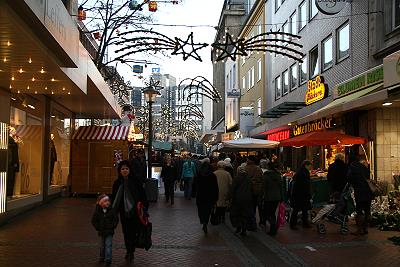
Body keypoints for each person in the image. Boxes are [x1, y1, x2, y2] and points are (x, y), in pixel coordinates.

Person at [112, 160, 148, 263]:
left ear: (130, 170)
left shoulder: (135, 181)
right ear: (119, 171)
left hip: (135, 211)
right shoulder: (117, 183)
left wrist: (145, 207)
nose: (124, 171)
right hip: (124, 212)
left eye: (126, 168)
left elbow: (142, 194)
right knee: (126, 232)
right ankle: (129, 251)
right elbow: (114, 198)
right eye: (122, 169)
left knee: (133, 231)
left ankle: (131, 249)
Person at [348, 154, 373, 235]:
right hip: (368, 190)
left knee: (359, 210)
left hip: (359, 191)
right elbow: (368, 176)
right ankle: (366, 228)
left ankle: (359, 230)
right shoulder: (364, 167)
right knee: (367, 210)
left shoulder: (352, 167)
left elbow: (350, 179)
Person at [91, 194, 119, 266]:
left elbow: (115, 219)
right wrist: (98, 227)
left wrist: (112, 226)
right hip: (102, 231)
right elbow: (93, 221)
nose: (107, 203)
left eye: (108, 201)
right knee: (102, 245)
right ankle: (102, 257)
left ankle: (108, 260)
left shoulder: (112, 210)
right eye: (105, 201)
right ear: (101, 203)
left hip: (109, 231)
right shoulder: (97, 211)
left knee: (108, 245)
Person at [195, 158, 219, 234]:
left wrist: (194, 193)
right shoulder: (212, 175)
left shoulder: (199, 174)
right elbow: (216, 187)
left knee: (201, 209)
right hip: (210, 196)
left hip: (200, 195)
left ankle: (203, 221)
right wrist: (216, 197)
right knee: (208, 210)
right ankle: (206, 221)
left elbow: (195, 185)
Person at [230, 164, 253, 236]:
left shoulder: (236, 178)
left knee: (237, 213)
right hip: (247, 199)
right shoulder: (249, 178)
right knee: (245, 214)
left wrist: (231, 197)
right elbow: (251, 189)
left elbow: (233, 189)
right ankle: (244, 229)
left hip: (237, 199)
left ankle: (238, 226)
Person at [289, 160, 312, 230]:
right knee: (302, 209)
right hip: (302, 194)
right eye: (309, 166)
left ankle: (295, 224)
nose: (310, 168)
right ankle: (303, 224)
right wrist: (308, 193)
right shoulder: (305, 173)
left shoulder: (299, 171)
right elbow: (305, 185)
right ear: (306, 165)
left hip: (297, 194)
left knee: (297, 209)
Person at [262, 162, 283, 235]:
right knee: (272, 212)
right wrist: (281, 197)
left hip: (268, 197)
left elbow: (263, 187)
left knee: (268, 213)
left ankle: (273, 227)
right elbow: (281, 187)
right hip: (277, 197)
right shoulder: (278, 175)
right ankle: (273, 227)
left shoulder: (266, 175)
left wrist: (261, 196)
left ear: (268, 167)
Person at [245, 156, 264, 230]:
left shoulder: (246, 169)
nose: (246, 161)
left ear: (250, 161)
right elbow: (262, 179)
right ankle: (262, 221)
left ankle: (253, 223)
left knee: (252, 208)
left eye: (247, 160)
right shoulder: (259, 169)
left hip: (250, 190)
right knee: (260, 207)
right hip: (258, 190)